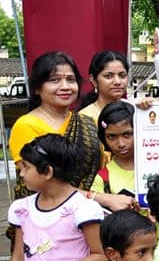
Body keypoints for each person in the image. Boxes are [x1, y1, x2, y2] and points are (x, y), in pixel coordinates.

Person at [8, 51, 125, 212]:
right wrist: (101, 198)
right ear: (37, 88)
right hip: (47, 215)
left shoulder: (86, 123)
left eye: (71, 80)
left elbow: (105, 167)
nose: (65, 87)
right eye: (54, 80)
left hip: (90, 214)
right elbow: (39, 184)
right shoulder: (26, 125)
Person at [89, 101, 144, 214]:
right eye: (112, 137)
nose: (121, 144)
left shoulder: (157, 163)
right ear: (103, 138)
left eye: (127, 134)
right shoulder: (103, 178)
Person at [78, 50, 129, 124]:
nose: (117, 82)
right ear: (94, 80)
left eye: (122, 76)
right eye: (108, 76)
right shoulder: (85, 117)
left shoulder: (132, 109)